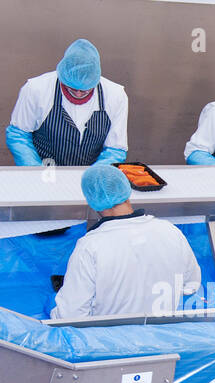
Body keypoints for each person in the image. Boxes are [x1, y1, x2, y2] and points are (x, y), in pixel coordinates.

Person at [51, 165, 200, 319]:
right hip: (161, 335)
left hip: (109, 339)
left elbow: (70, 314)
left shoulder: (89, 247)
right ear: (126, 189)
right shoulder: (170, 231)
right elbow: (191, 284)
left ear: (92, 201)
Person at [6, 39, 127, 167]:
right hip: (44, 171)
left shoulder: (115, 95)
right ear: (63, 76)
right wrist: (35, 172)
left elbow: (115, 149)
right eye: (72, 88)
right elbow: (19, 136)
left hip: (89, 173)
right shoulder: (36, 89)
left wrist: (94, 176)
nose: (79, 94)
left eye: (85, 89)